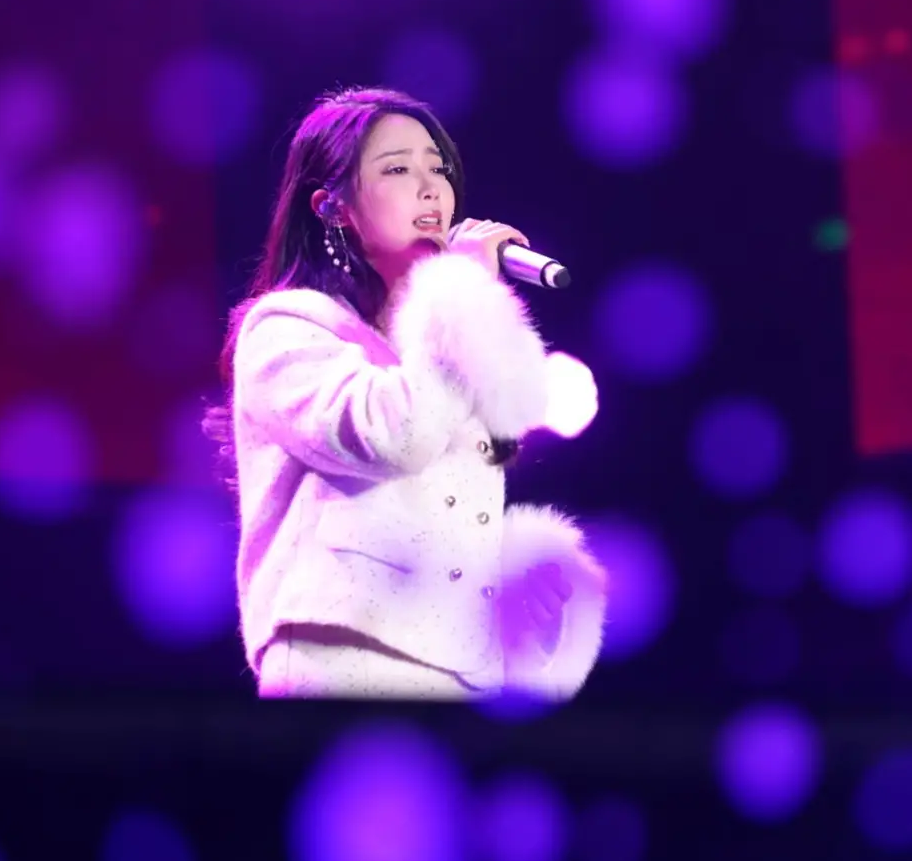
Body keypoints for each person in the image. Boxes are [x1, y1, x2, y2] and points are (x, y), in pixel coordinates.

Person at [203, 86, 609, 701]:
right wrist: (462, 289)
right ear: (333, 208)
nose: (430, 189)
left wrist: (512, 590)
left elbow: (442, 515)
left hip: (464, 678)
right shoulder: (287, 329)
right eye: (397, 169)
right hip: (345, 660)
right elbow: (399, 437)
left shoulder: (442, 346)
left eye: (438, 169)